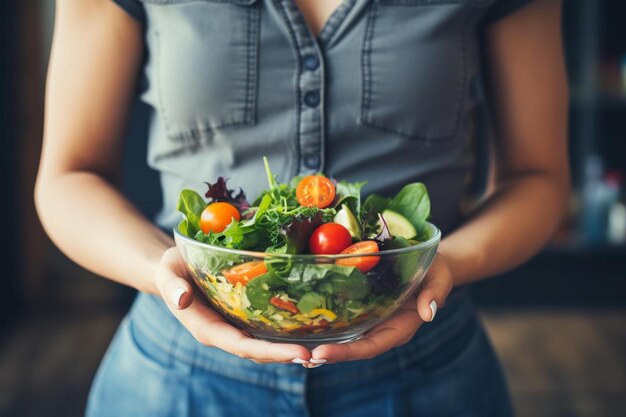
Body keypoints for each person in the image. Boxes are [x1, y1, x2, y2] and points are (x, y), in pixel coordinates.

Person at [35, 0, 569, 415]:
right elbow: (69, 176)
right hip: (179, 382)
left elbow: (537, 179)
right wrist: (164, 272)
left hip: (427, 379)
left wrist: (442, 264)